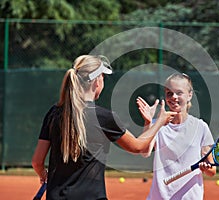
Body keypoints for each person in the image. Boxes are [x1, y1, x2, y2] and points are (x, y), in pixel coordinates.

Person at [31, 55, 176, 200]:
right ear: (96, 81)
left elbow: (37, 162)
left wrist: (44, 175)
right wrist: (159, 122)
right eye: (102, 77)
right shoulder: (104, 117)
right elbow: (137, 147)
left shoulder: (54, 114)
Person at [136, 73, 216, 200]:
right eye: (169, 93)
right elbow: (144, 152)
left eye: (179, 93)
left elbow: (212, 170)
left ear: (189, 95)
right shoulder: (158, 124)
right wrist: (148, 122)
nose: (173, 97)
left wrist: (205, 167)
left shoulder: (201, 127)